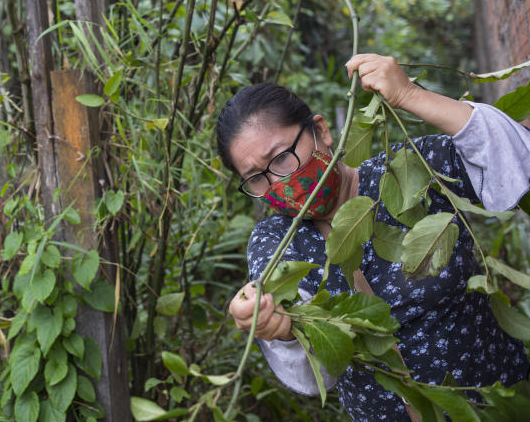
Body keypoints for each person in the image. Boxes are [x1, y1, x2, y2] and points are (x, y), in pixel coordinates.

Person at [218, 53, 530, 421]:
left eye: (281, 157)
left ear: (321, 131)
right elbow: (285, 311)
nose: (278, 182)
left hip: (502, 401)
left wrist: (409, 96)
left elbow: (511, 158)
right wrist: (273, 323)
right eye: (256, 177)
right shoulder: (276, 239)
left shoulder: (409, 171)